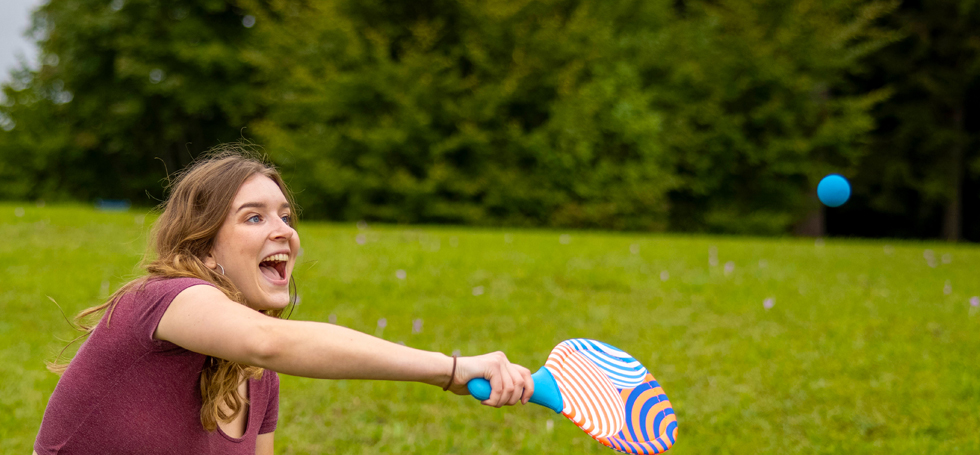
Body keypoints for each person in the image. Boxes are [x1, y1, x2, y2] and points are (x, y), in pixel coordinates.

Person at [34, 146, 533, 454]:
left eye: (286, 217)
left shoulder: (256, 380)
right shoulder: (162, 301)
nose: (284, 233)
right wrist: (450, 370)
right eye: (254, 217)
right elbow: (268, 341)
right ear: (205, 249)